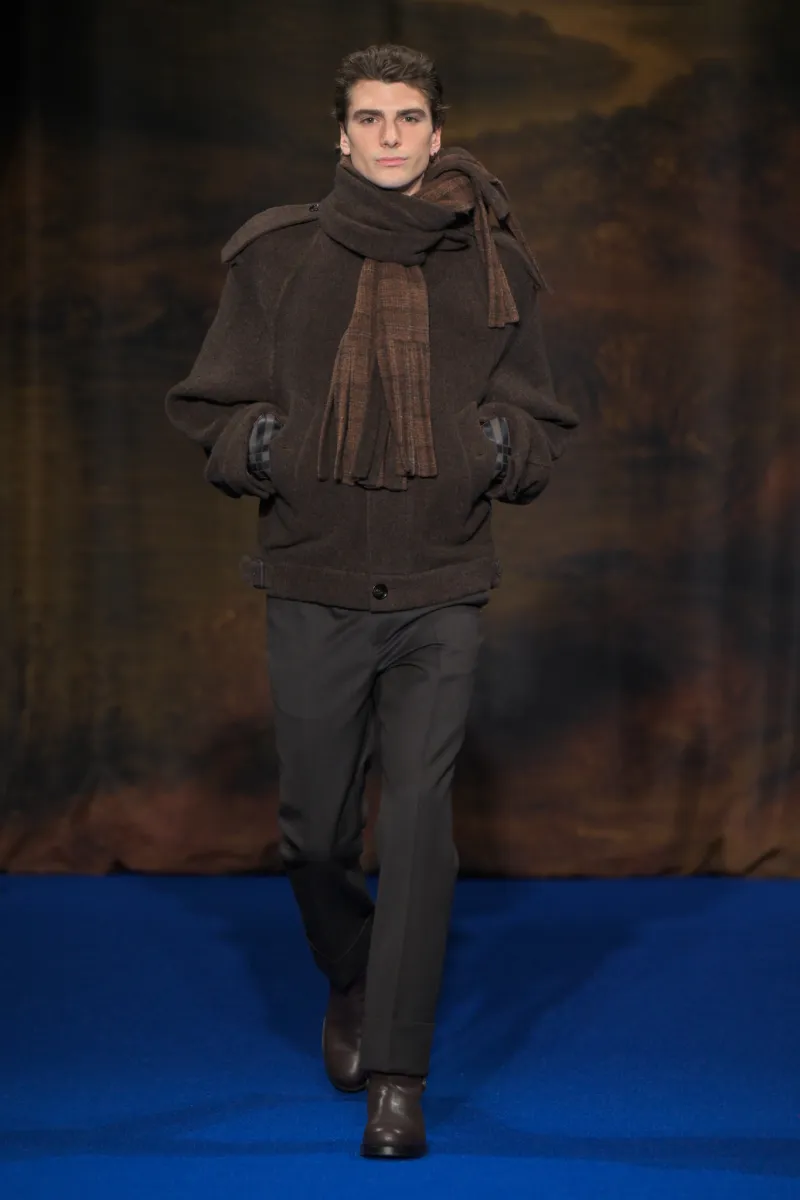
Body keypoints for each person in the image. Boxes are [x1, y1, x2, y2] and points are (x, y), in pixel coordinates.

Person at [165, 42, 578, 1159]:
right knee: (312, 835)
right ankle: (352, 972)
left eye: (407, 118)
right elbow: (210, 405)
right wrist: (270, 446)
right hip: (312, 577)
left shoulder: (493, 262)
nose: (389, 136)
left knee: (421, 829)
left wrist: (490, 448)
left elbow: (541, 423)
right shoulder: (277, 256)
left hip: (442, 582)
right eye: (368, 118)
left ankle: (399, 1074)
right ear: (340, 137)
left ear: (437, 132)